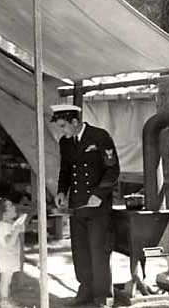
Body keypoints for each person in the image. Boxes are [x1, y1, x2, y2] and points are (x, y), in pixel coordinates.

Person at [50, 104, 120, 308]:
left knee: (98, 251)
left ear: (75, 122)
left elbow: (113, 170)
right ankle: (85, 292)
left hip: (98, 207)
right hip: (77, 206)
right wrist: (62, 191)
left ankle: (102, 297)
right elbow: (65, 170)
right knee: (80, 250)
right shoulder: (65, 142)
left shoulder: (100, 137)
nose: (61, 131)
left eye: (63, 126)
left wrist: (99, 194)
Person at [0, 198, 27, 308]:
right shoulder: (4, 227)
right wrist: (16, 231)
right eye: (11, 206)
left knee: (8, 278)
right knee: (5, 278)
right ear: (5, 214)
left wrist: (20, 225)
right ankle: (4, 301)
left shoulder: (10, 223)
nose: (14, 207)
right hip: (6, 256)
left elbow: (21, 230)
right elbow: (9, 243)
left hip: (10, 255)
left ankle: (7, 298)